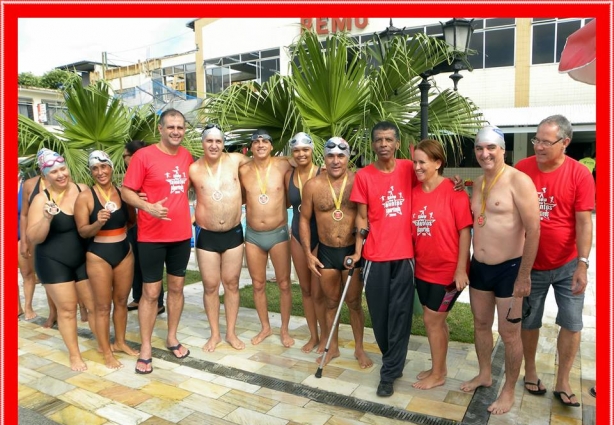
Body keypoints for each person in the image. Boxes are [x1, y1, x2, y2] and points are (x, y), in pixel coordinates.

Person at [460, 125, 540, 415]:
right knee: (480, 325)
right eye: (480, 148)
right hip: (480, 268)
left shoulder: (519, 181)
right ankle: (484, 373)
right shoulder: (479, 182)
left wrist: (524, 276)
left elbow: (534, 229)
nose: (485, 153)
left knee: (509, 335)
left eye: (491, 147)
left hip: (510, 270)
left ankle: (508, 390)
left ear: (502, 149)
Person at [517, 115, 595, 407]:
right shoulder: (522, 169)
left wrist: (583, 263)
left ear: (565, 143)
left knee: (572, 324)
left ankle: (562, 380)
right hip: (530, 266)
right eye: (536, 140)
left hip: (567, 264)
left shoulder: (579, 175)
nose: (537, 146)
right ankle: (531, 372)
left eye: (545, 142)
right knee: (529, 321)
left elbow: (585, 223)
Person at [347, 121, 418, 397]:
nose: (384, 144)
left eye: (389, 139)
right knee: (379, 314)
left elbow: (430, 184)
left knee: (400, 314)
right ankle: (393, 359)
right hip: (375, 255)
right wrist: (357, 250)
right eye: (379, 140)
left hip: (404, 254)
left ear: (397, 143)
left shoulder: (409, 169)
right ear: (373, 144)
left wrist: (456, 184)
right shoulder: (364, 175)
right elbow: (362, 216)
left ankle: (388, 372)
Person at [121, 109, 194, 374]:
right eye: (171, 127)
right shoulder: (143, 156)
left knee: (177, 288)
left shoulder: (187, 156)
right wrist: (147, 207)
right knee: (150, 293)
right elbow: (126, 191)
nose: (176, 131)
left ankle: (172, 337)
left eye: (180, 127)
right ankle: (146, 347)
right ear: (160, 129)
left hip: (182, 236)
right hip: (151, 236)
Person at [300, 136, 373, 369]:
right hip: (326, 252)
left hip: (352, 250)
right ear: (324, 157)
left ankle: (359, 349)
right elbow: (304, 219)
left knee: (353, 302)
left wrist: (360, 250)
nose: (335, 161)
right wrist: (308, 254)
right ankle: (333, 347)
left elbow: (365, 216)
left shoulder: (358, 181)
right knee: (331, 303)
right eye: (330, 156)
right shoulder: (313, 185)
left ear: (348, 158)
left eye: (340, 156)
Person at [410, 139, 473, 390]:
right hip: (423, 269)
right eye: (415, 162)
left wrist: (460, 268)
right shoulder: (414, 191)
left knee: (431, 320)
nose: (416, 167)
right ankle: (440, 367)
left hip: (448, 271)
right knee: (438, 321)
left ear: (438, 163)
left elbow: (465, 231)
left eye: (422, 162)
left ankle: (438, 375)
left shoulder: (453, 190)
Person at [26, 149, 96, 372]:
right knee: (67, 310)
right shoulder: (40, 199)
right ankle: (75, 356)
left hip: (81, 258)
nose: (60, 175)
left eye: (62, 169)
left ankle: (104, 345)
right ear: (45, 175)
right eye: (54, 172)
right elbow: (34, 237)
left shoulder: (81, 190)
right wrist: (47, 218)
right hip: (53, 261)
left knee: (94, 306)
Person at [74, 150, 140, 369]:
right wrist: (98, 224)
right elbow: (83, 232)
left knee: (121, 302)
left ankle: (120, 342)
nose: (100, 172)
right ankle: (106, 352)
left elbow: (131, 220)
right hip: (98, 255)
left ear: (111, 168)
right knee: (102, 307)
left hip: (123, 252)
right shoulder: (85, 196)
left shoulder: (121, 192)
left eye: (104, 167)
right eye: (95, 168)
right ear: (91, 172)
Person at [189, 124, 251, 352]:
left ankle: (231, 333)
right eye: (209, 141)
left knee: (232, 284)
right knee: (210, 286)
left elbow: (264, 165)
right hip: (207, 235)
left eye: (218, 141)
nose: (214, 145)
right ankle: (214, 334)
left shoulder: (236, 160)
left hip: (234, 233)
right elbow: (174, 192)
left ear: (223, 143)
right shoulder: (193, 169)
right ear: (202, 143)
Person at [239, 128, 295, 347]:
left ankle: (284, 329)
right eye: (256, 141)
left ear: (272, 146)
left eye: (265, 141)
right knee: (258, 284)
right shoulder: (243, 170)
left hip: (278, 233)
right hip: (252, 235)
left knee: (283, 284)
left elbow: (300, 160)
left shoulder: (283, 165)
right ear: (251, 147)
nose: (260, 144)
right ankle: (265, 327)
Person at [284, 132, 327, 353]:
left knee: (319, 292)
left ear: (312, 151)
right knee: (305, 289)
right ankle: (313, 336)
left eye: (305, 149)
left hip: (319, 236)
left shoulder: (323, 172)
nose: (301, 154)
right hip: (297, 236)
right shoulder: (288, 175)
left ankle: (327, 336)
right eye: (297, 150)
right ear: (292, 152)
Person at [123, 140, 165, 315]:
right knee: (136, 263)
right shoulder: (132, 174)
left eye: (125, 155)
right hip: (134, 225)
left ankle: (158, 302)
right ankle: (138, 296)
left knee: (151, 266)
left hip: (151, 225)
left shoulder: (151, 169)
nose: (124, 159)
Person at [20, 149, 57, 326]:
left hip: (57, 235)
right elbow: (25, 215)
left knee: (54, 276)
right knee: (41, 275)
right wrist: (24, 241)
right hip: (37, 236)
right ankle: (50, 312)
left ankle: (55, 312)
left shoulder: (63, 182)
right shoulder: (30, 184)